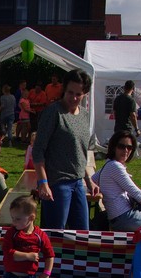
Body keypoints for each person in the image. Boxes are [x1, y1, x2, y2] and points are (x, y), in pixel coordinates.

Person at [32, 68, 100, 230]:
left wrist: (88, 180)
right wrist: (43, 183)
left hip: (78, 183)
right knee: (56, 233)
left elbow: (80, 152)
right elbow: (38, 150)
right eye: (70, 92)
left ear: (85, 94)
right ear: (64, 89)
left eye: (78, 94)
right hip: (57, 184)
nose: (74, 98)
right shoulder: (53, 112)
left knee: (82, 233)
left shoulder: (84, 115)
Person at [93, 131, 141, 232]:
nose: (126, 150)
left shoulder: (108, 164)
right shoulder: (114, 166)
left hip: (126, 213)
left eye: (129, 147)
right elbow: (137, 193)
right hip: (123, 217)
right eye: (121, 146)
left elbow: (92, 180)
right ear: (113, 147)